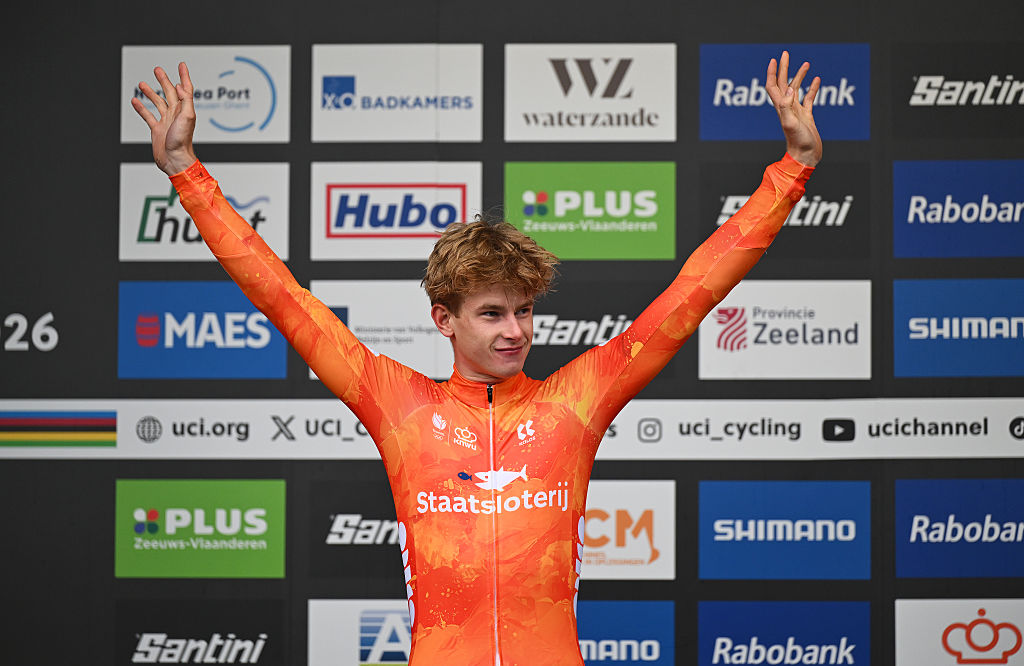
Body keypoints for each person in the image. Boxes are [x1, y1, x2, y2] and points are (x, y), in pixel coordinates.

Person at [132, 51, 821, 666]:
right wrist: (188, 175)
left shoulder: (576, 399)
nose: (515, 331)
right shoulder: (395, 400)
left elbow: (694, 292)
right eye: (492, 313)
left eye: (523, 310)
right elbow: (282, 298)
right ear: (445, 320)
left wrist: (793, 170)